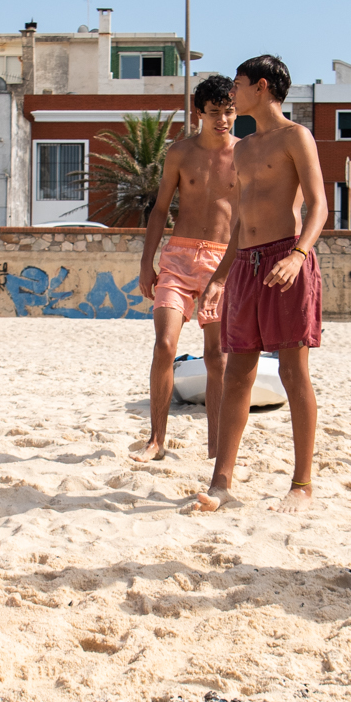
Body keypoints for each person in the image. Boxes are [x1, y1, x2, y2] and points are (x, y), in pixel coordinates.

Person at [193, 55, 327, 513]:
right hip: (246, 265)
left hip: (286, 260)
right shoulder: (244, 148)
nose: (232, 93)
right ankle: (221, 483)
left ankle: (302, 484)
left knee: (293, 374)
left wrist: (297, 255)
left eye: (239, 84)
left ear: (262, 87)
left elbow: (319, 206)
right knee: (237, 374)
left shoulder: (296, 137)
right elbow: (241, 220)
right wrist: (218, 278)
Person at [130, 75, 241, 463]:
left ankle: (215, 447)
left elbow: (248, 217)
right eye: (215, 113)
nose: (223, 120)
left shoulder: (246, 155)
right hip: (177, 258)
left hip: (221, 261)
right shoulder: (179, 152)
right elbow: (160, 209)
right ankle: (156, 440)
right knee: (164, 345)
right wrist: (147, 262)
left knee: (218, 357)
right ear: (199, 113)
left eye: (229, 111)